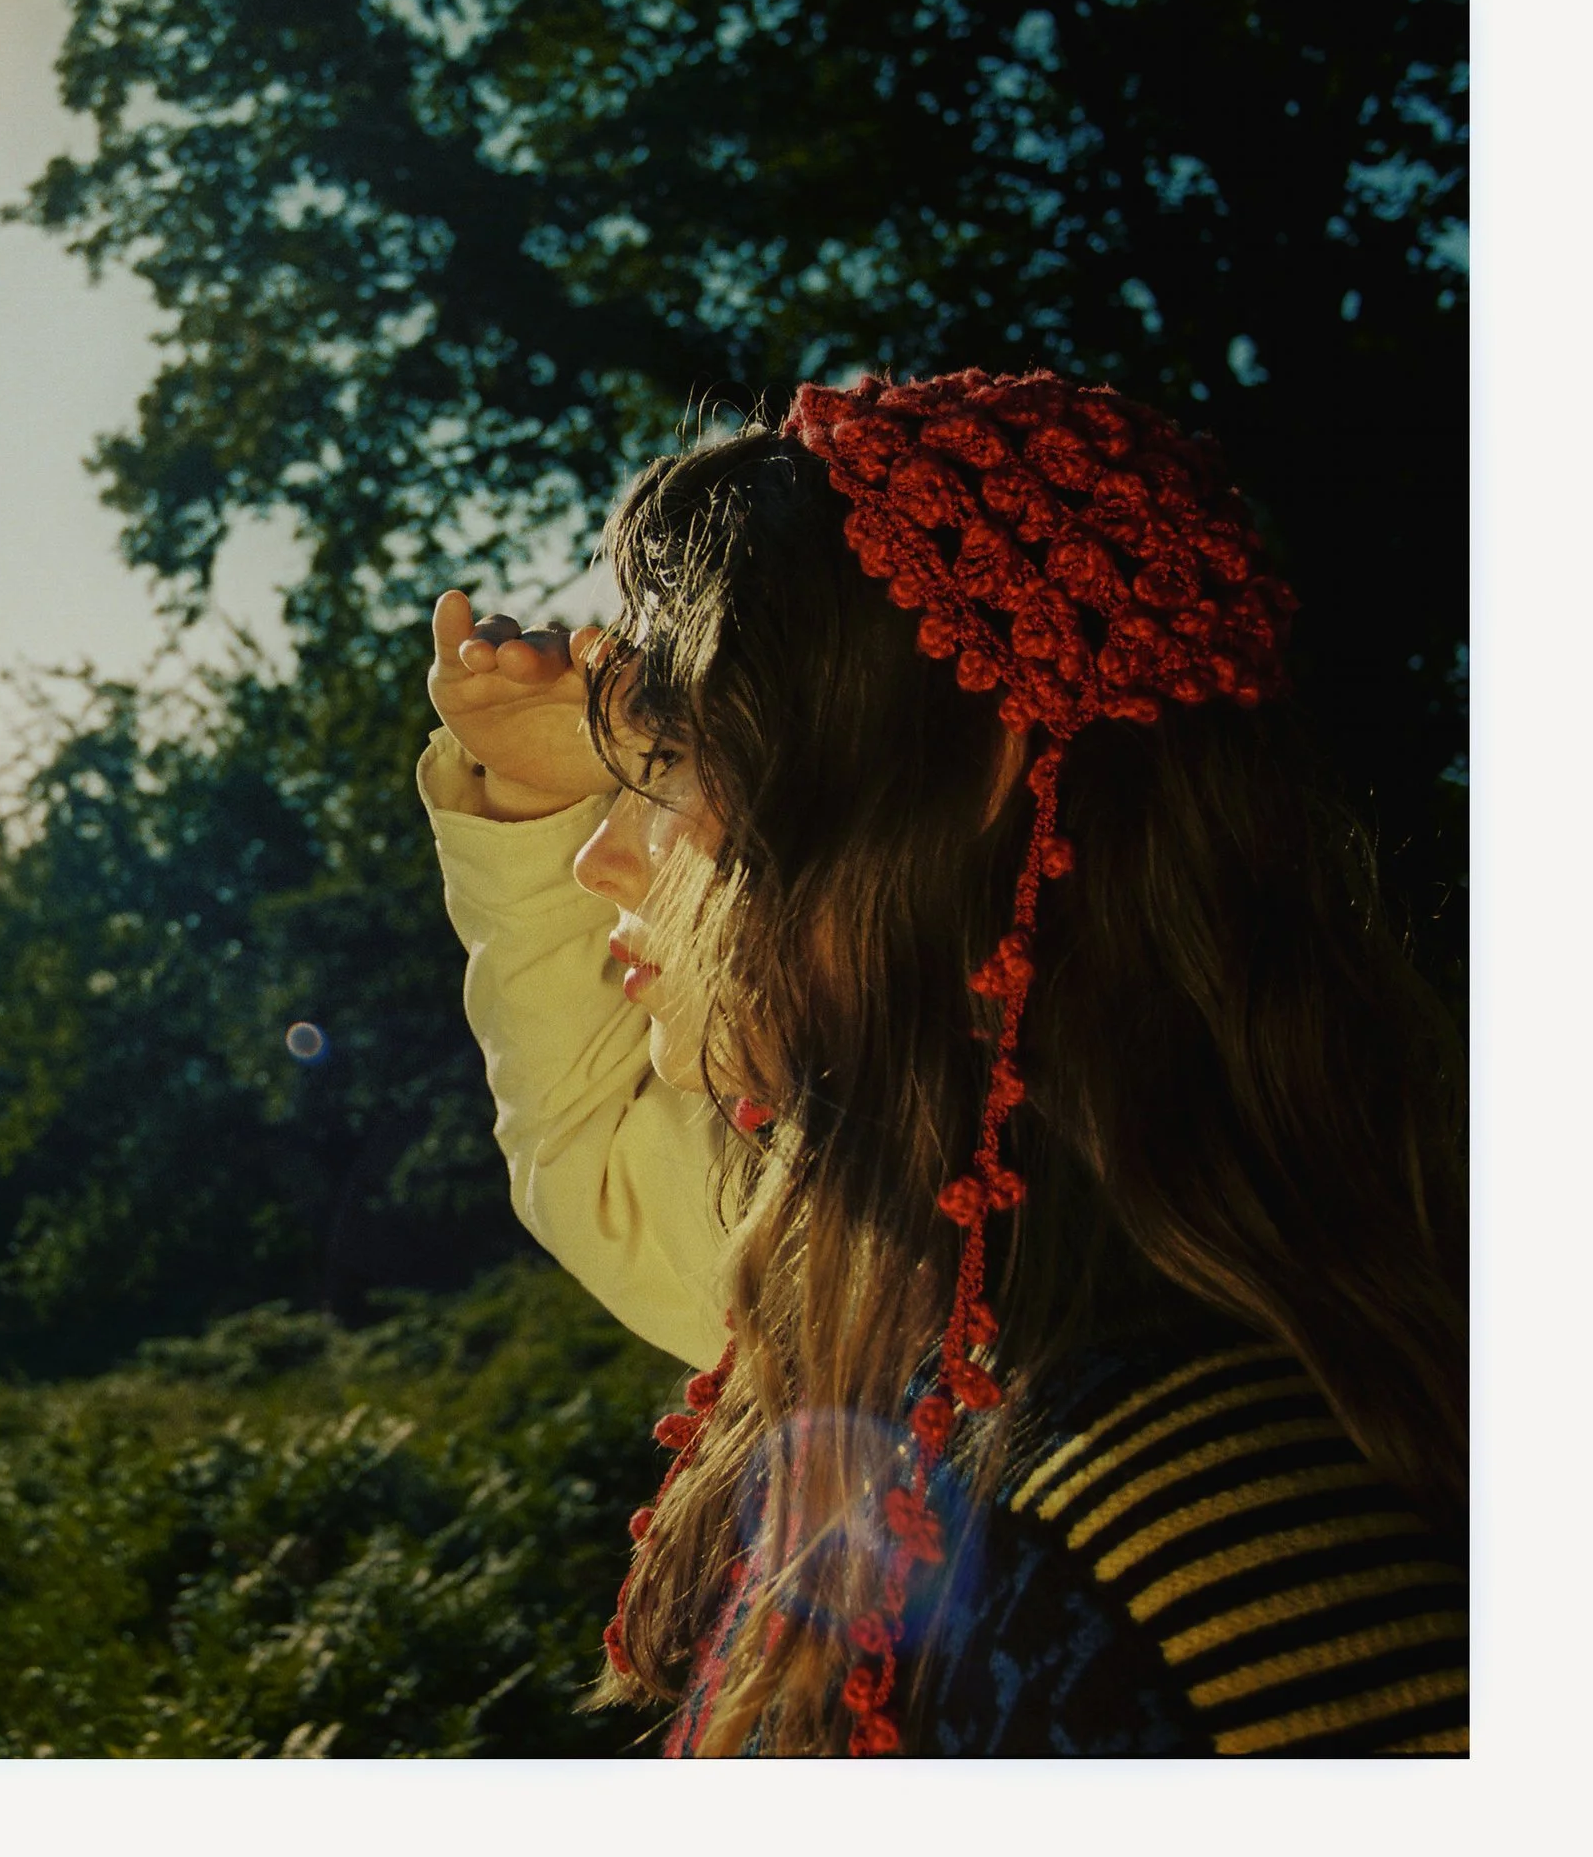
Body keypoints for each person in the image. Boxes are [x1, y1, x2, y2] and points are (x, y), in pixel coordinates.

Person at [416, 369, 1467, 1757]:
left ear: (956, 787)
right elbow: (595, 1149)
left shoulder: (1228, 1563)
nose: (605, 854)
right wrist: (557, 783)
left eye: (668, 773)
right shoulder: (908, 1292)